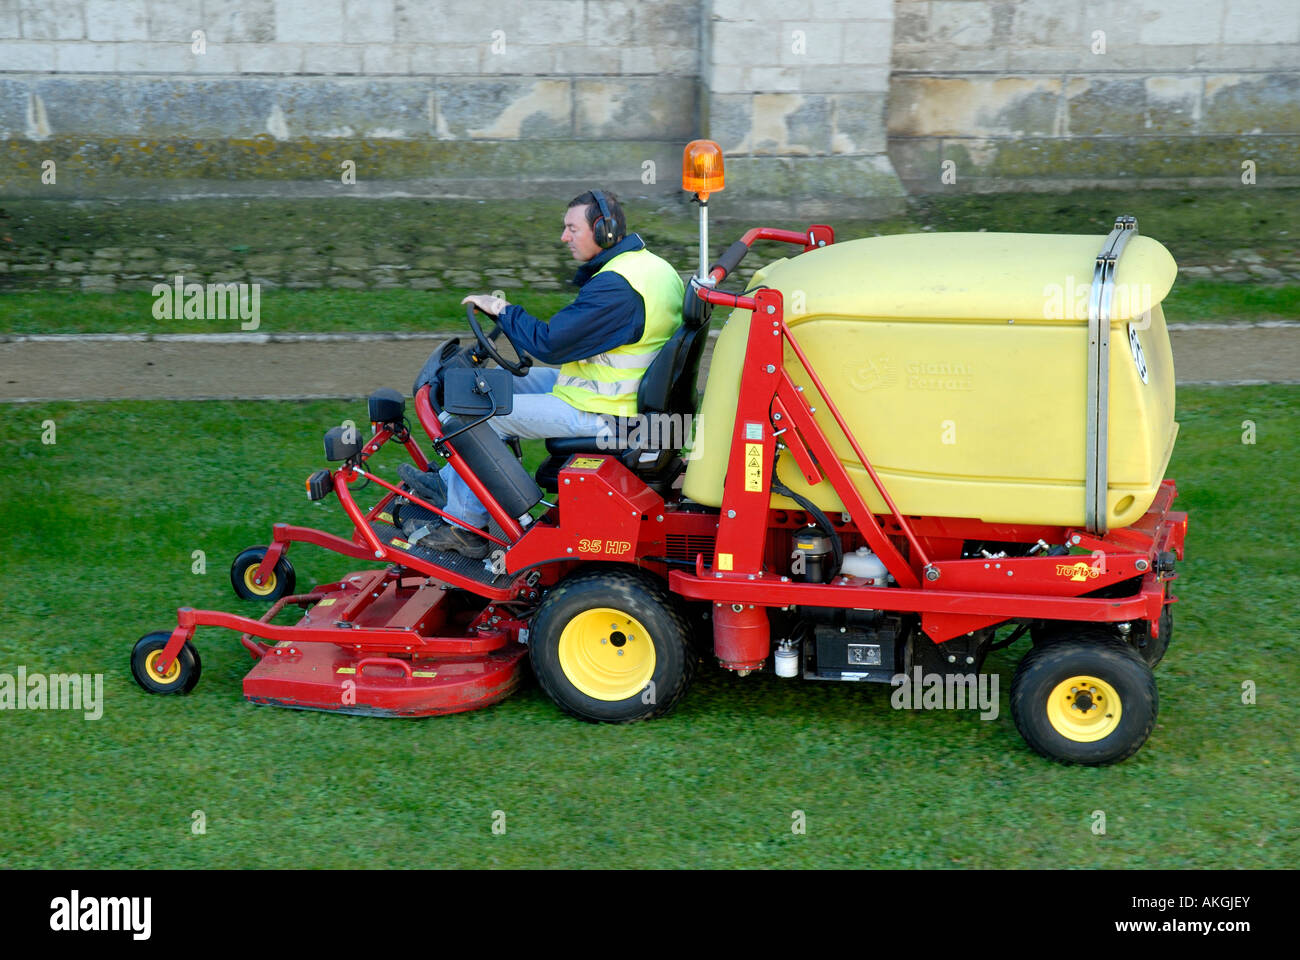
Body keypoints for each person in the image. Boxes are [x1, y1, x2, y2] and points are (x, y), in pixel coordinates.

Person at [401, 189, 685, 558]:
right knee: (504, 385)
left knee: (477, 417)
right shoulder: (650, 269)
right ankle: (449, 484)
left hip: (613, 416)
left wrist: (502, 310)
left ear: (604, 230)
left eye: (572, 228)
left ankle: (466, 528)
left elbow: (551, 343)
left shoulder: (618, 288)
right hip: (622, 396)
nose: (564, 238)